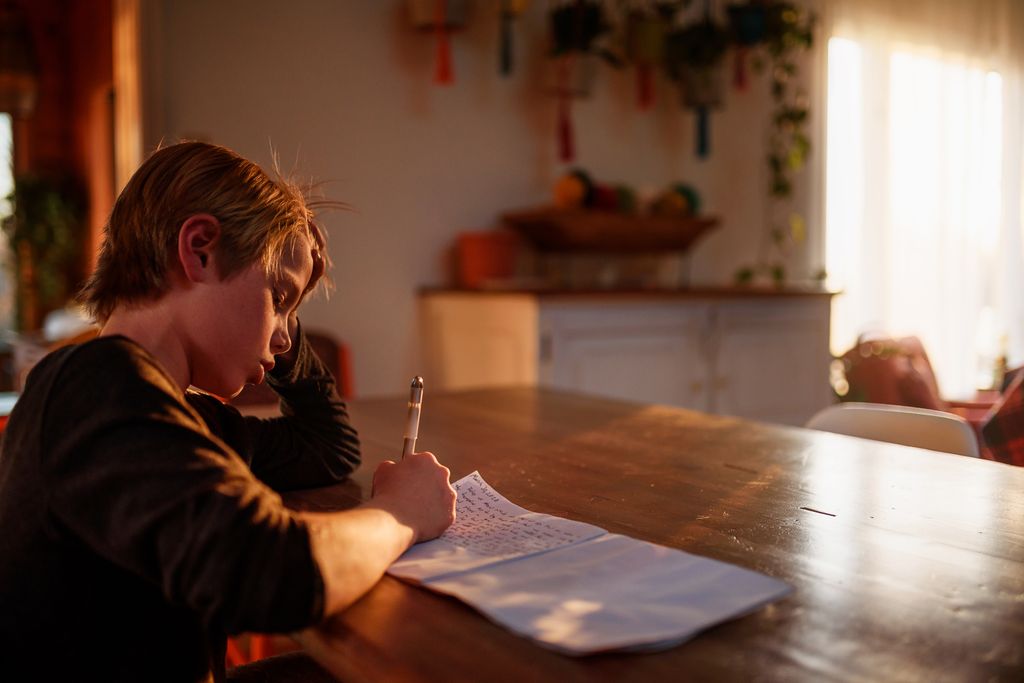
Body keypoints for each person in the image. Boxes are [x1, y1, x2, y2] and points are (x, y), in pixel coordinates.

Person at [0, 141, 457, 681]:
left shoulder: (172, 413)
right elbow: (270, 573)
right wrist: (402, 512)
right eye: (280, 299)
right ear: (199, 250)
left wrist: (284, 291)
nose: (285, 339)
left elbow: (326, 446)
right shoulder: (92, 388)